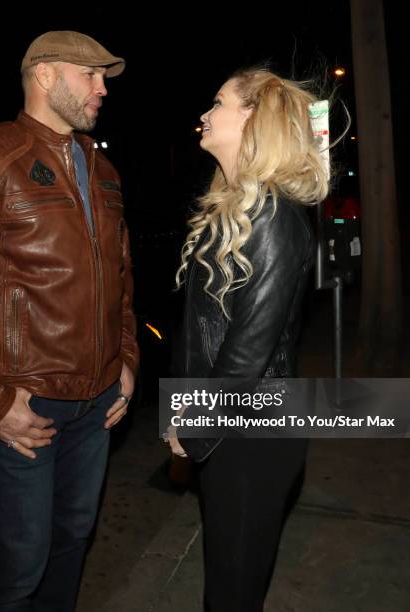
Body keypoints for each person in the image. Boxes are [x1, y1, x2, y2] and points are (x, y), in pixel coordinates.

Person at [0, 30, 138, 612]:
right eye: (90, 74)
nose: (102, 88)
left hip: (97, 406)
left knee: (71, 544)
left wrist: (128, 362)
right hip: (26, 405)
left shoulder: (106, 170)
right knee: (18, 569)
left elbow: (121, 282)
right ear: (44, 76)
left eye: (105, 78)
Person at [169, 68, 329, 611]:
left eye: (218, 103)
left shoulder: (274, 218)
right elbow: (204, 334)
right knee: (230, 582)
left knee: (233, 592)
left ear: (253, 118)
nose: (205, 114)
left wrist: (191, 430)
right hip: (233, 423)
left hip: (254, 434)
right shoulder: (238, 210)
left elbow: (246, 354)